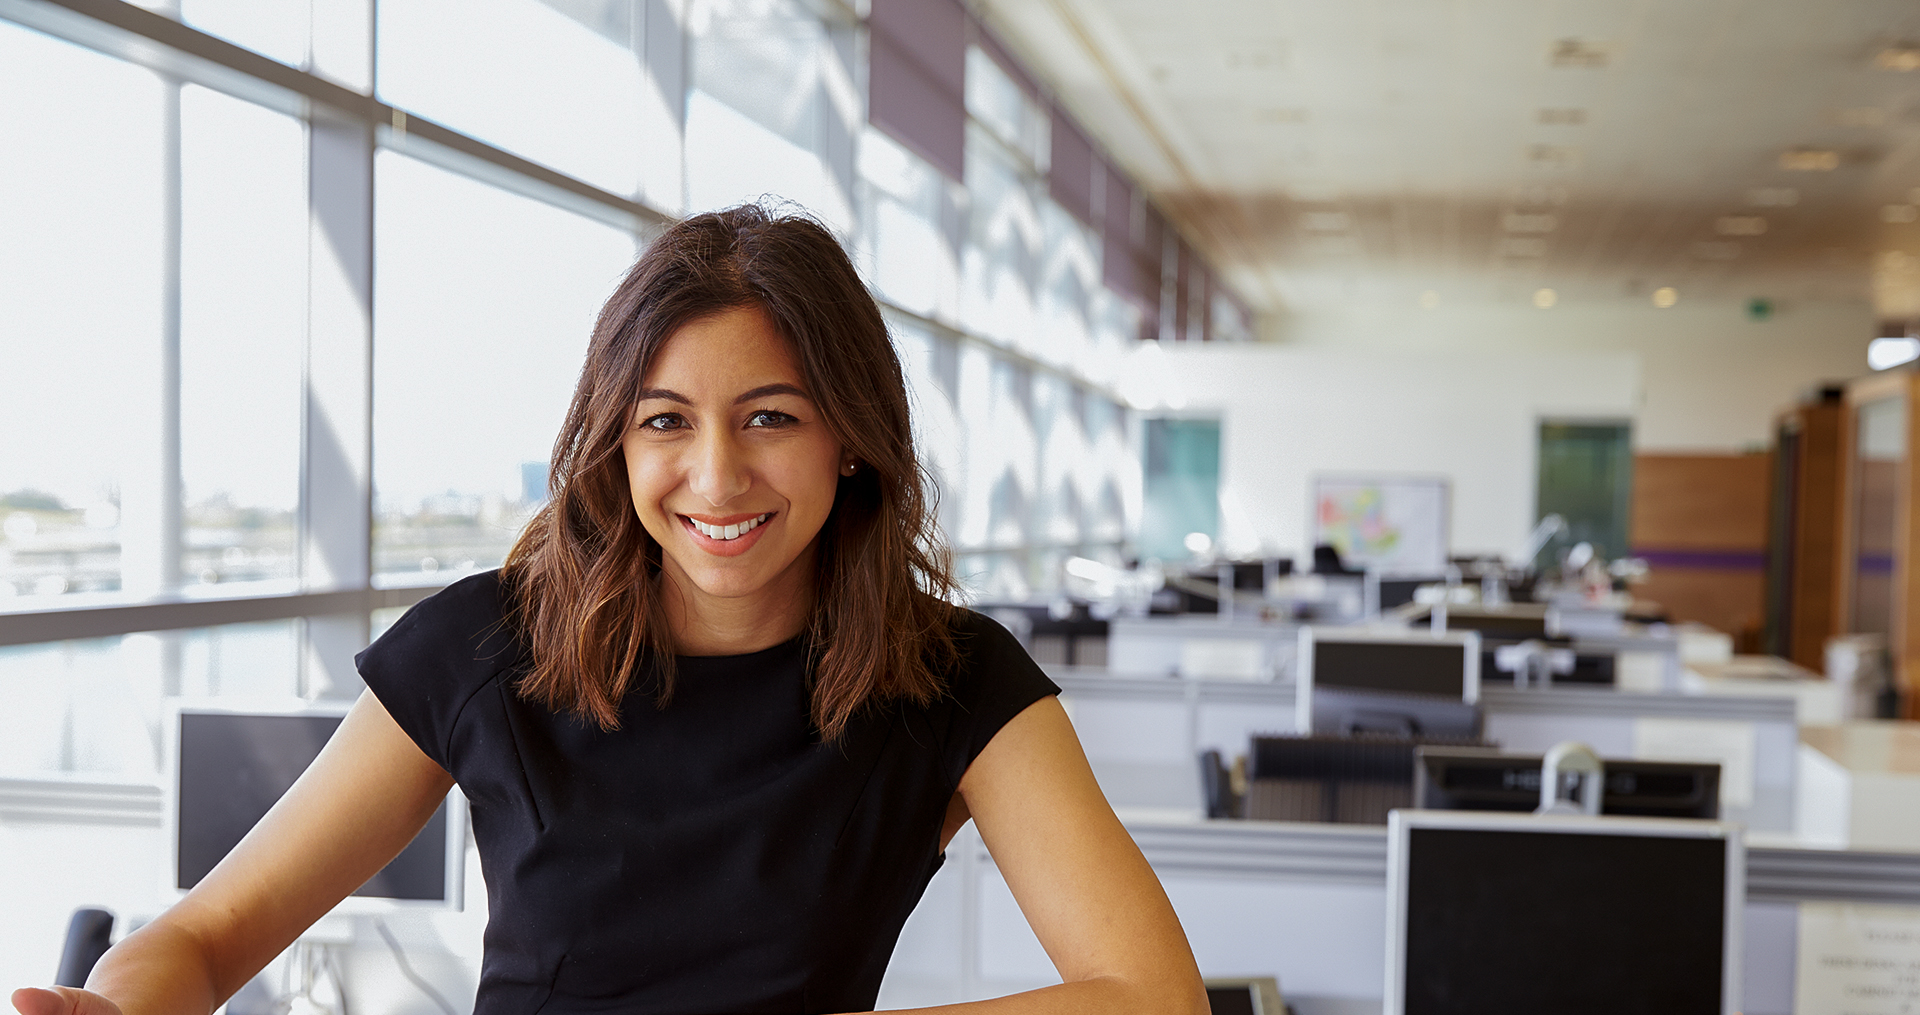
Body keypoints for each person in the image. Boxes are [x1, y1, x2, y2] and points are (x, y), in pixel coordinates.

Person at [12, 205, 1208, 1015]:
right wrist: (116, 1001)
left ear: (851, 439)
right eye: (666, 420)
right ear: (614, 443)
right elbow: (212, 933)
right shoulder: (490, 648)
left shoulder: (952, 679)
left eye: (773, 417)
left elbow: (1151, 996)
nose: (717, 475)